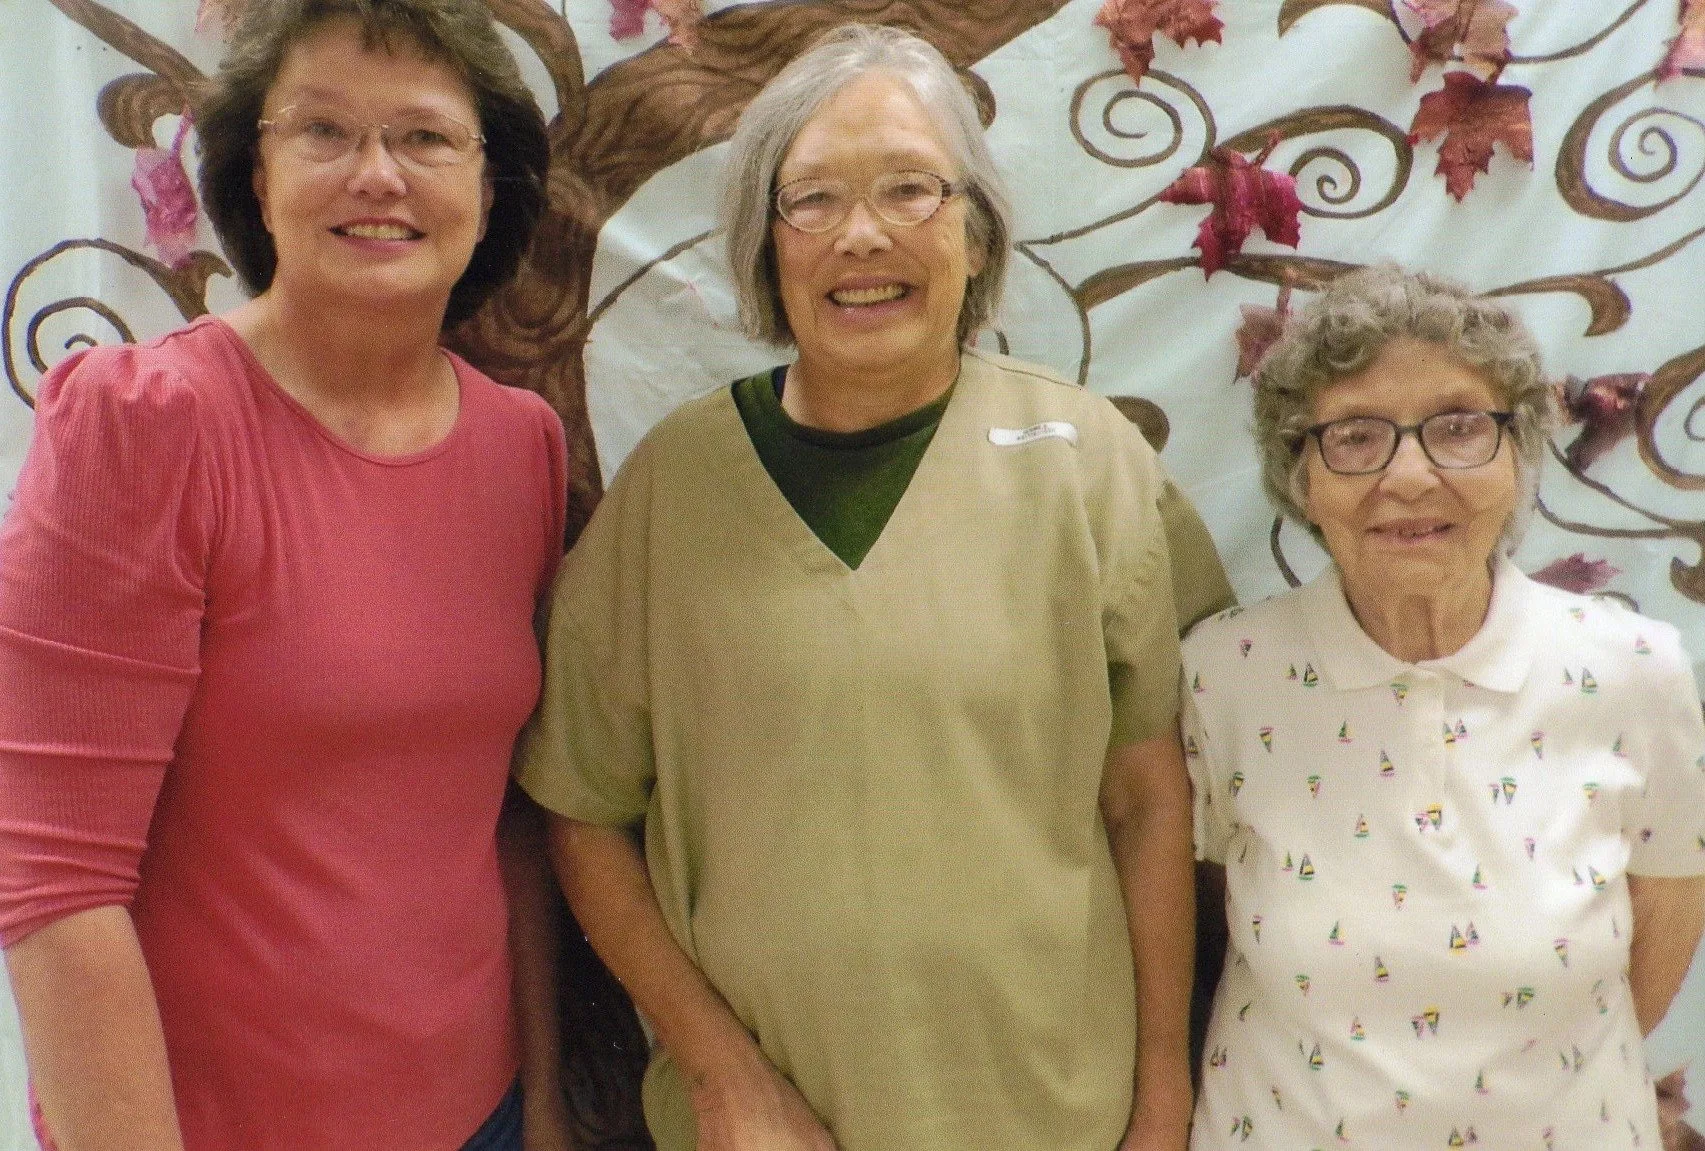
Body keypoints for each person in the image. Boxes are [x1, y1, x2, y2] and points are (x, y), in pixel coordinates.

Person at [516, 23, 1231, 1151]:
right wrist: (721, 1074)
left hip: (1056, 1116)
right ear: (764, 245)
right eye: (812, 201)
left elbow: (1150, 802)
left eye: (910, 188)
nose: (862, 235)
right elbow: (583, 812)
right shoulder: (676, 488)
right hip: (767, 1128)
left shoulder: (1088, 464)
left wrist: (1159, 1093)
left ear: (976, 234)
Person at [0, 2, 570, 1149]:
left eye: (423, 138)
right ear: (253, 180)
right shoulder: (145, 424)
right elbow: (52, 882)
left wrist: (548, 1102)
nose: (376, 175)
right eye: (322, 131)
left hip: (482, 1112)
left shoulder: (524, 444)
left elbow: (502, 811)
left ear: (491, 185)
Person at [1182, 266, 1705, 1149]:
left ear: (1515, 450)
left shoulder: (1631, 671)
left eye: (1458, 427)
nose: (1411, 477)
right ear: (1297, 473)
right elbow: (1196, 932)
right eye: (1354, 436)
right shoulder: (1222, 676)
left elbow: (1653, 951)